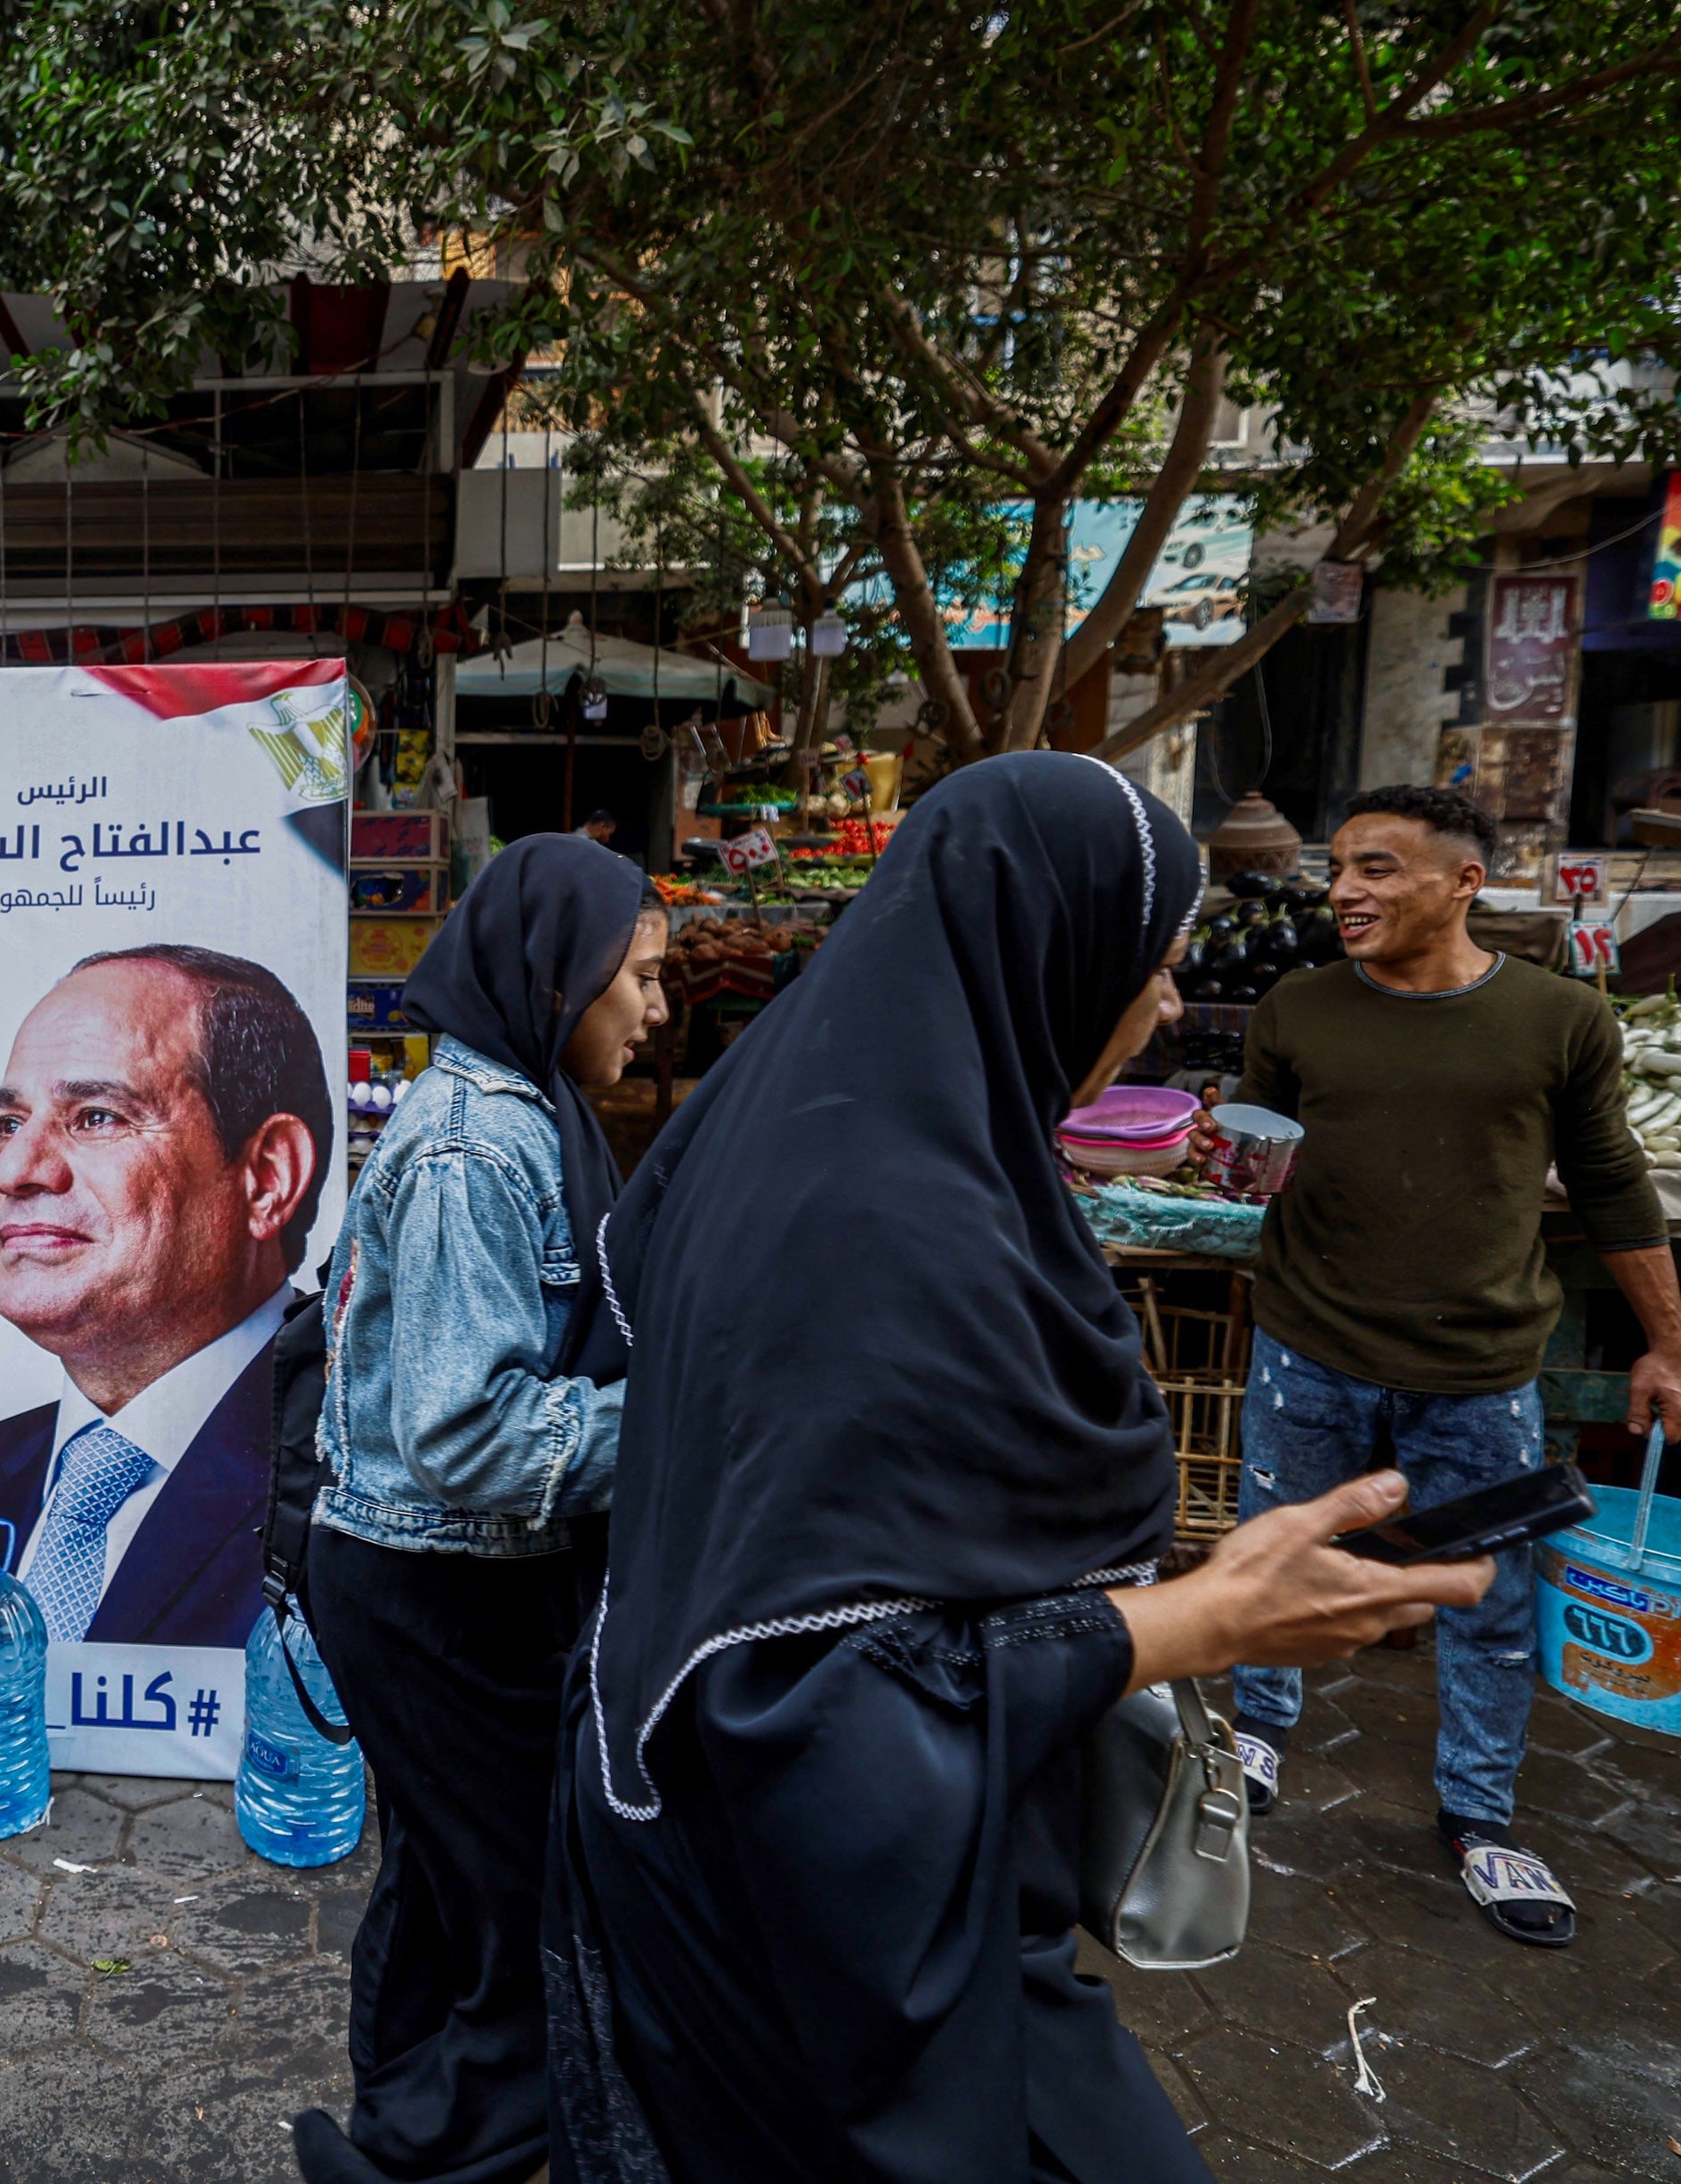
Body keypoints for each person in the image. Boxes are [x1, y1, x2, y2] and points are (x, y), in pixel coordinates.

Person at [546, 752, 1500, 2183]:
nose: (1171, 1003)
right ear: (1052, 949)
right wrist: (1202, 1619)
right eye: (1156, 962)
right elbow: (815, 1692)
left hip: (759, 1824)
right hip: (800, 1897)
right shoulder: (883, 1228)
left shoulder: (828, 1118)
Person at [1227, 783, 1681, 1948]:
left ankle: (1480, 1815)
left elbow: (1610, 1182)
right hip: (1308, 1346)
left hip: (1481, 1369)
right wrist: (1218, 1153)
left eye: (1379, 868)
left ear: (1464, 881)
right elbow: (1254, 1152)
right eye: (1341, 867)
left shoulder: (1558, 1019)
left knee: (1485, 1599)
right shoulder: (1295, 1007)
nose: (1345, 889)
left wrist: (1670, 1339)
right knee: (1275, 1558)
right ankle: (1250, 1736)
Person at [293, 833, 665, 2184]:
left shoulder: (527, 1116)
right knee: (521, 1908)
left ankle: (395, 2111)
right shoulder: (475, 1150)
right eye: (636, 978)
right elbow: (465, 1433)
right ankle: (418, 2157)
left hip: (465, 1577)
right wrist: (686, 1422)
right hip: (432, 1584)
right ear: (556, 978)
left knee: (454, 1884)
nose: (656, 1010)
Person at [0, 944, 333, 1649]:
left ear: (265, 1176)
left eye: (97, 1116)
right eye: (9, 1123)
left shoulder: (374, 1519)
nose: (13, 1168)